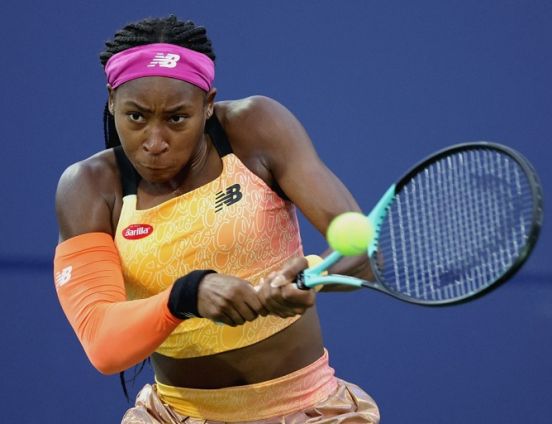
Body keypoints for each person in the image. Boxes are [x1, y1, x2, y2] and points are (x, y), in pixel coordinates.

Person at [53, 15, 380, 423]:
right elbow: (103, 343)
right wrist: (186, 296)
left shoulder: (255, 128)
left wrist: (310, 275)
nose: (154, 143)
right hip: (174, 416)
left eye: (176, 118)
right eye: (136, 117)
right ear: (112, 101)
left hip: (309, 411)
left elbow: (366, 256)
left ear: (207, 104)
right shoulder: (87, 187)